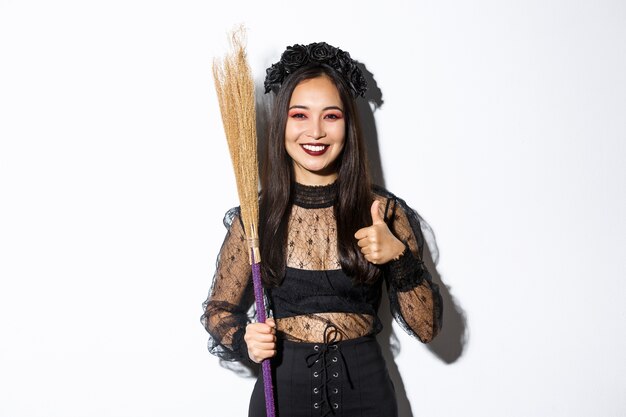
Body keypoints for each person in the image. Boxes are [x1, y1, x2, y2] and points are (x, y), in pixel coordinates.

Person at [202, 42, 443, 417]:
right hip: (281, 396)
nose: (315, 132)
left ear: (348, 125)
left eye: (331, 116)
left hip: (367, 396)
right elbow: (219, 309)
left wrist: (398, 256)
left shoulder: (381, 211)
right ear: (282, 122)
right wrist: (244, 338)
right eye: (300, 115)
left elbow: (427, 327)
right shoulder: (255, 218)